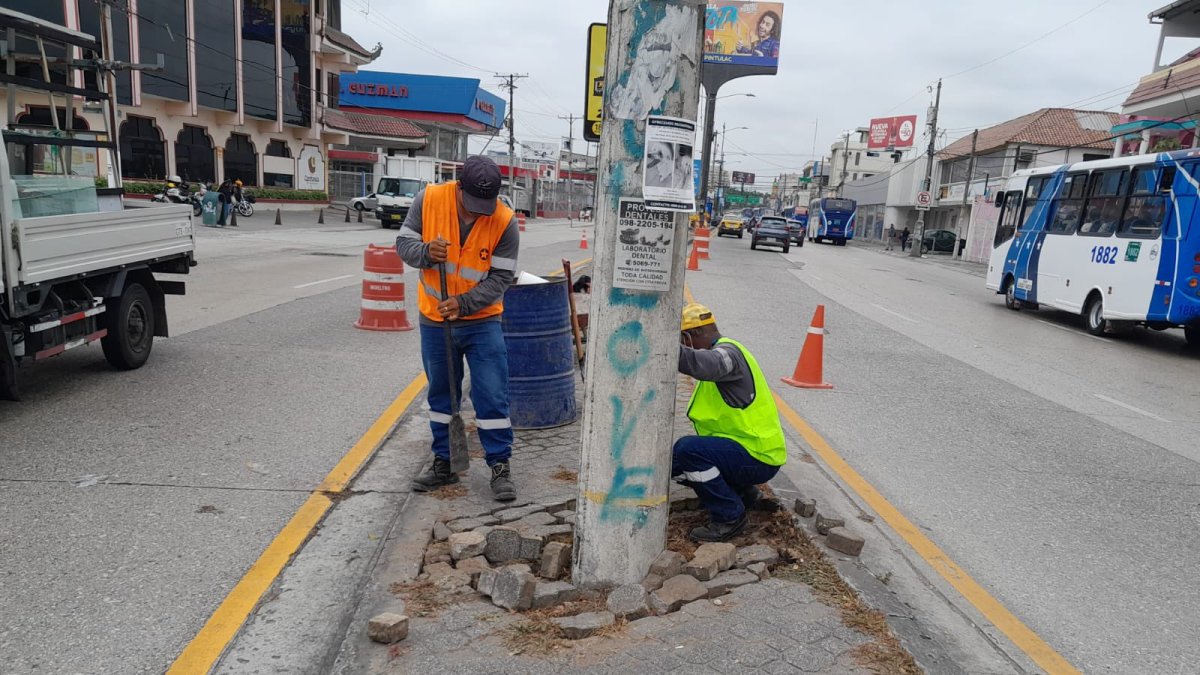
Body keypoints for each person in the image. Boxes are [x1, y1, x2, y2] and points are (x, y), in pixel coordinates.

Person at [395, 156, 521, 501]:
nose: (478, 213)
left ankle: (500, 464)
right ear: (458, 187)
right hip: (436, 320)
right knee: (441, 393)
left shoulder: (505, 221)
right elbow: (403, 244)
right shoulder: (429, 199)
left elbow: (501, 278)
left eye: (486, 206)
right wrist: (424, 252)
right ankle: (444, 461)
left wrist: (465, 304)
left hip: (482, 321)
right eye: (472, 205)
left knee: (492, 393)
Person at [674, 303, 787, 541]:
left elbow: (705, 364)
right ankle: (743, 494)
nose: (685, 346)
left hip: (757, 455)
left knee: (687, 450)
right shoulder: (723, 354)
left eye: (683, 341)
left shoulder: (728, 354)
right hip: (745, 451)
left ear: (690, 336)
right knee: (672, 465)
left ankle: (729, 516)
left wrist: (662, 345)